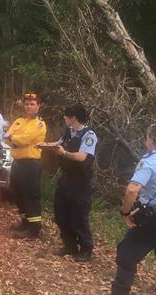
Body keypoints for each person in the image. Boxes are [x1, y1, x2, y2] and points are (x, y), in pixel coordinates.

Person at [96, 124, 156, 295]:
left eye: (146, 137)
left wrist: (126, 212)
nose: (145, 141)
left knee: (127, 254)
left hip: (151, 219)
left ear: (152, 139)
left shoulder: (150, 161)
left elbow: (132, 190)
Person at [41, 103, 98, 262]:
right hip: (66, 179)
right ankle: (70, 245)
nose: (64, 118)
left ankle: (86, 249)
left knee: (79, 217)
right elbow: (58, 144)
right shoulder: (69, 132)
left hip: (81, 183)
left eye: (66, 116)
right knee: (61, 214)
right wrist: (44, 145)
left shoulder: (89, 135)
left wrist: (64, 153)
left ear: (73, 118)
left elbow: (82, 157)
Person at [5, 92, 47, 239]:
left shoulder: (39, 124)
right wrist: (14, 139)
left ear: (38, 106)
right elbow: (6, 139)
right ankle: (25, 221)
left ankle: (34, 229)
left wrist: (13, 138)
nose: (29, 107)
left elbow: (24, 140)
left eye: (32, 104)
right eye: (27, 104)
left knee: (31, 196)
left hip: (31, 164)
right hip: (17, 163)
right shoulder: (19, 121)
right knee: (18, 194)